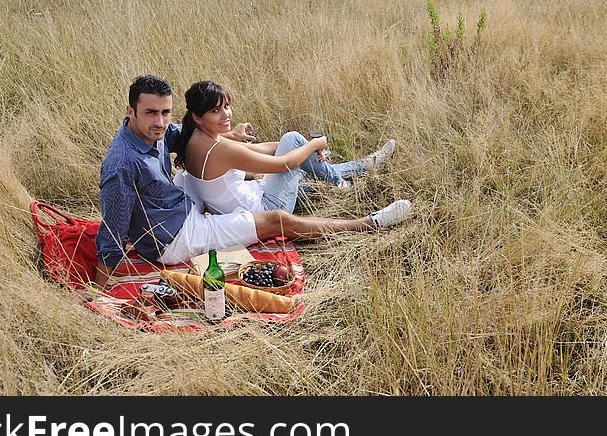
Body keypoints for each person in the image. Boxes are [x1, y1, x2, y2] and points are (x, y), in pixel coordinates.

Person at [94, 75, 412, 290]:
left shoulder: (160, 133)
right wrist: (97, 290)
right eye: (151, 113)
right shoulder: (121, 164)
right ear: (130, 111)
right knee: (276, 220)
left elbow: (187, 134)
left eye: (166, 112)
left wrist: (230, 136)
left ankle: (358, 169)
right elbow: (112, 232)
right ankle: (369, 223)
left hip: (181, 200)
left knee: (293, 178)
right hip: (175, 236)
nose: (161, 122)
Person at [173, 80, 398, 215]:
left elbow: (260, 149)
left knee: (301, 158)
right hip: (267, 208)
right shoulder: (219, 150)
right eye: (216, 111)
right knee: (293, 139)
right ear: (198, 116)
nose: (226, 115)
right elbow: (283, 164)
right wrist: (314, 144)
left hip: (250, 200)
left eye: (227, 106)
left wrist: (304, 150)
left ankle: (365, 165)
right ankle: (341, 183)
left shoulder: (196, 138)